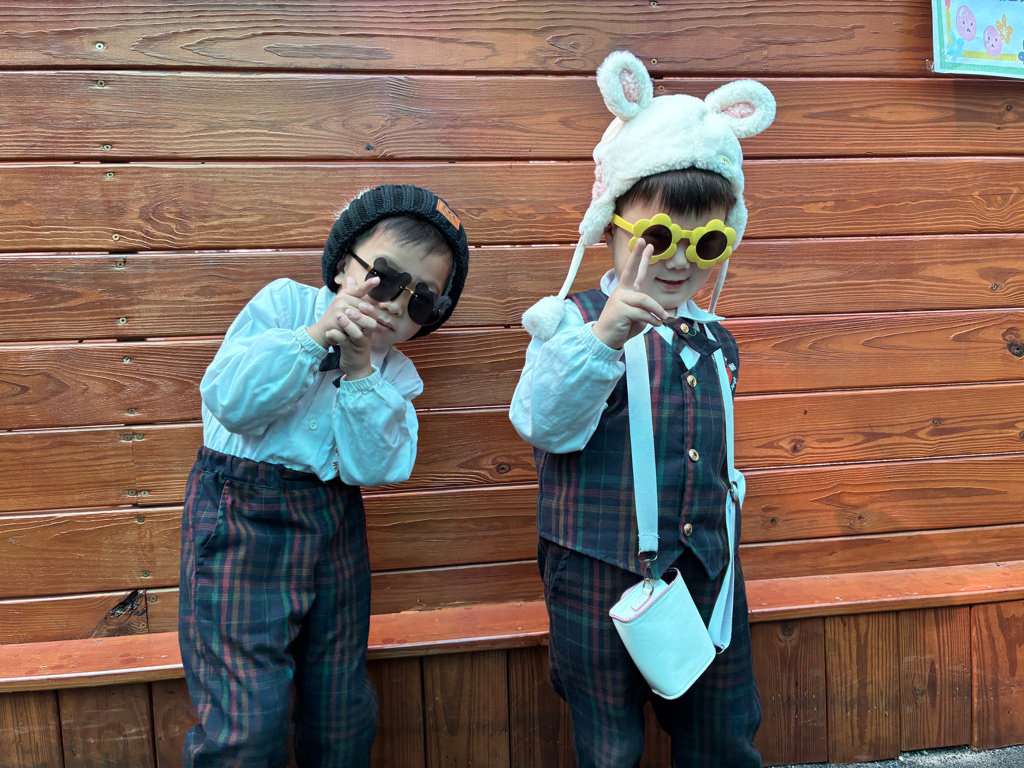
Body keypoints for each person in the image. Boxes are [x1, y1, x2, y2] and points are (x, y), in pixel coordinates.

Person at [509, 51, 775, 767]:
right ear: (610, 227)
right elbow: (543, 424)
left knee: (723, 731)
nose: (679, 260)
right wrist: (604, 339)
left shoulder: (715, 340)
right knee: (609, 743)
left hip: (706, 567)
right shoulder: (572, 323)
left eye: (706, 241)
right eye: (658, 237)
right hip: (596, 568)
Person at [178, 184, 470, 768]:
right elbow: (230, 401)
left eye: (421, 301)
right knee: (246, 722)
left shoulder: (395, 376)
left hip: (334, 521)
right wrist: (315, 339)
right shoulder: (285, 306)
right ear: (342, 265)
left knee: (340, 710)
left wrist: (360, 370)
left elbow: (375, 467)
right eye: (385, 278)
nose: (395, 305)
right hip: (240, 515)